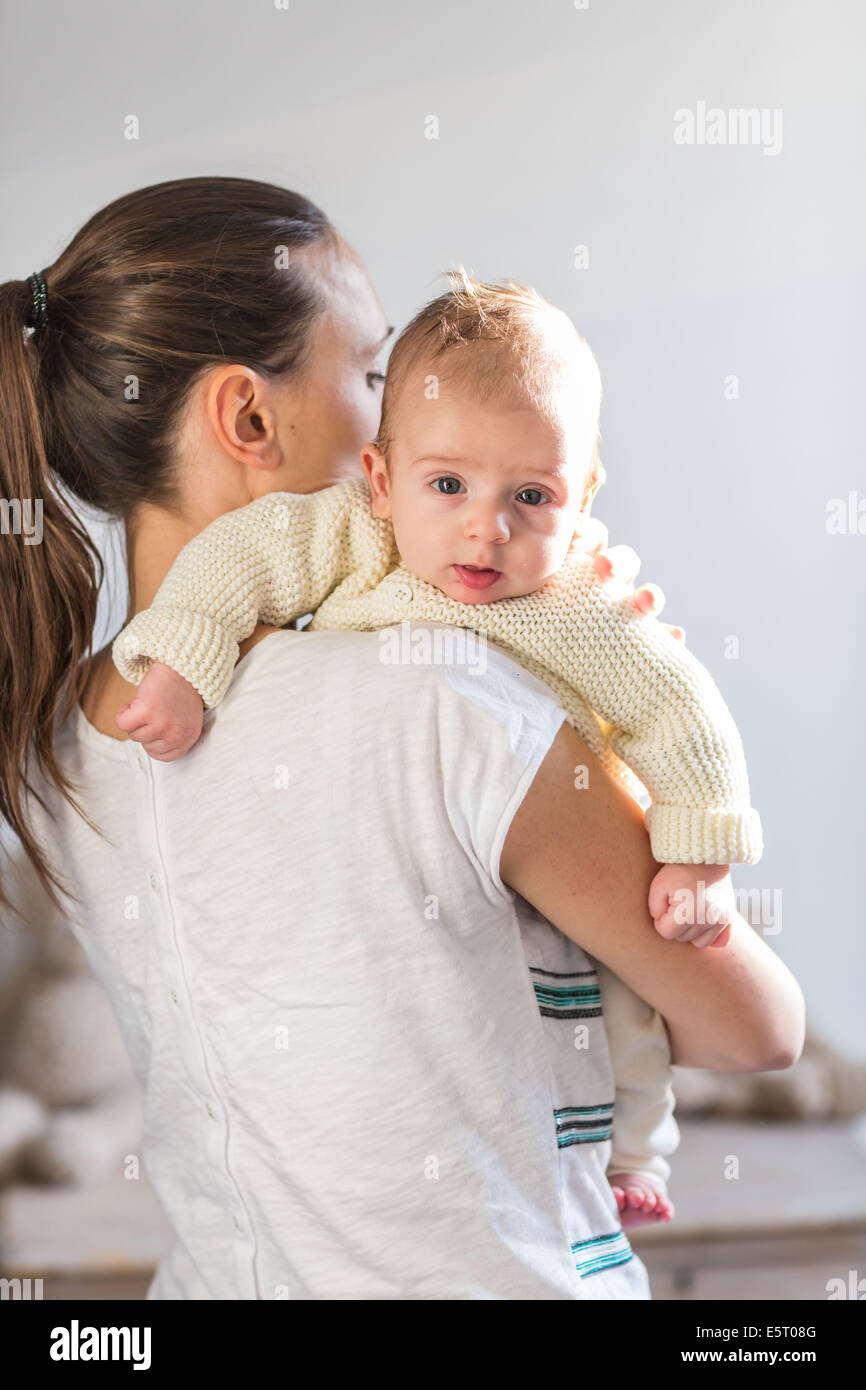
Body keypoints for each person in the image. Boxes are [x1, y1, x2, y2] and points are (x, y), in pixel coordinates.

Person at [0, 177, 804, 1299]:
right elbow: (754, 1027)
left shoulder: (55, 746)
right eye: (375, 375)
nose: (402, 417)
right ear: (248, 417)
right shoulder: (441, 698)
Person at [108, 269, 765, 1229]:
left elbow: (682, 713)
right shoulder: (351, 535)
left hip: (575, 867)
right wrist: (183, 666)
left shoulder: (581, 607)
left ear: (579, 498)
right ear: (381, 481)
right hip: (431, 897)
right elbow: (238, 562)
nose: (484, 527)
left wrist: (698, 856)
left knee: (628, 1018)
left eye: (531, 496)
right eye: (448, 484)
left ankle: (640, 1157)